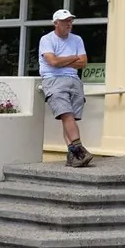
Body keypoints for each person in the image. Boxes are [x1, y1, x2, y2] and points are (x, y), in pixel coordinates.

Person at [39, 9, 94, 167]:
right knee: (67, 115)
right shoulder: (47, 39)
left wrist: (62, 60)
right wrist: (73, 57)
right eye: (65, 21)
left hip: (74, 80)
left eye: (70, 21)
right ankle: (79, 149)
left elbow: (83, 63)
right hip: (53, 80)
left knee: (69, 118)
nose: (69, 24)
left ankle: (73, 155)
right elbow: (53, 62)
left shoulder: (77, 39)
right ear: (56, 23)